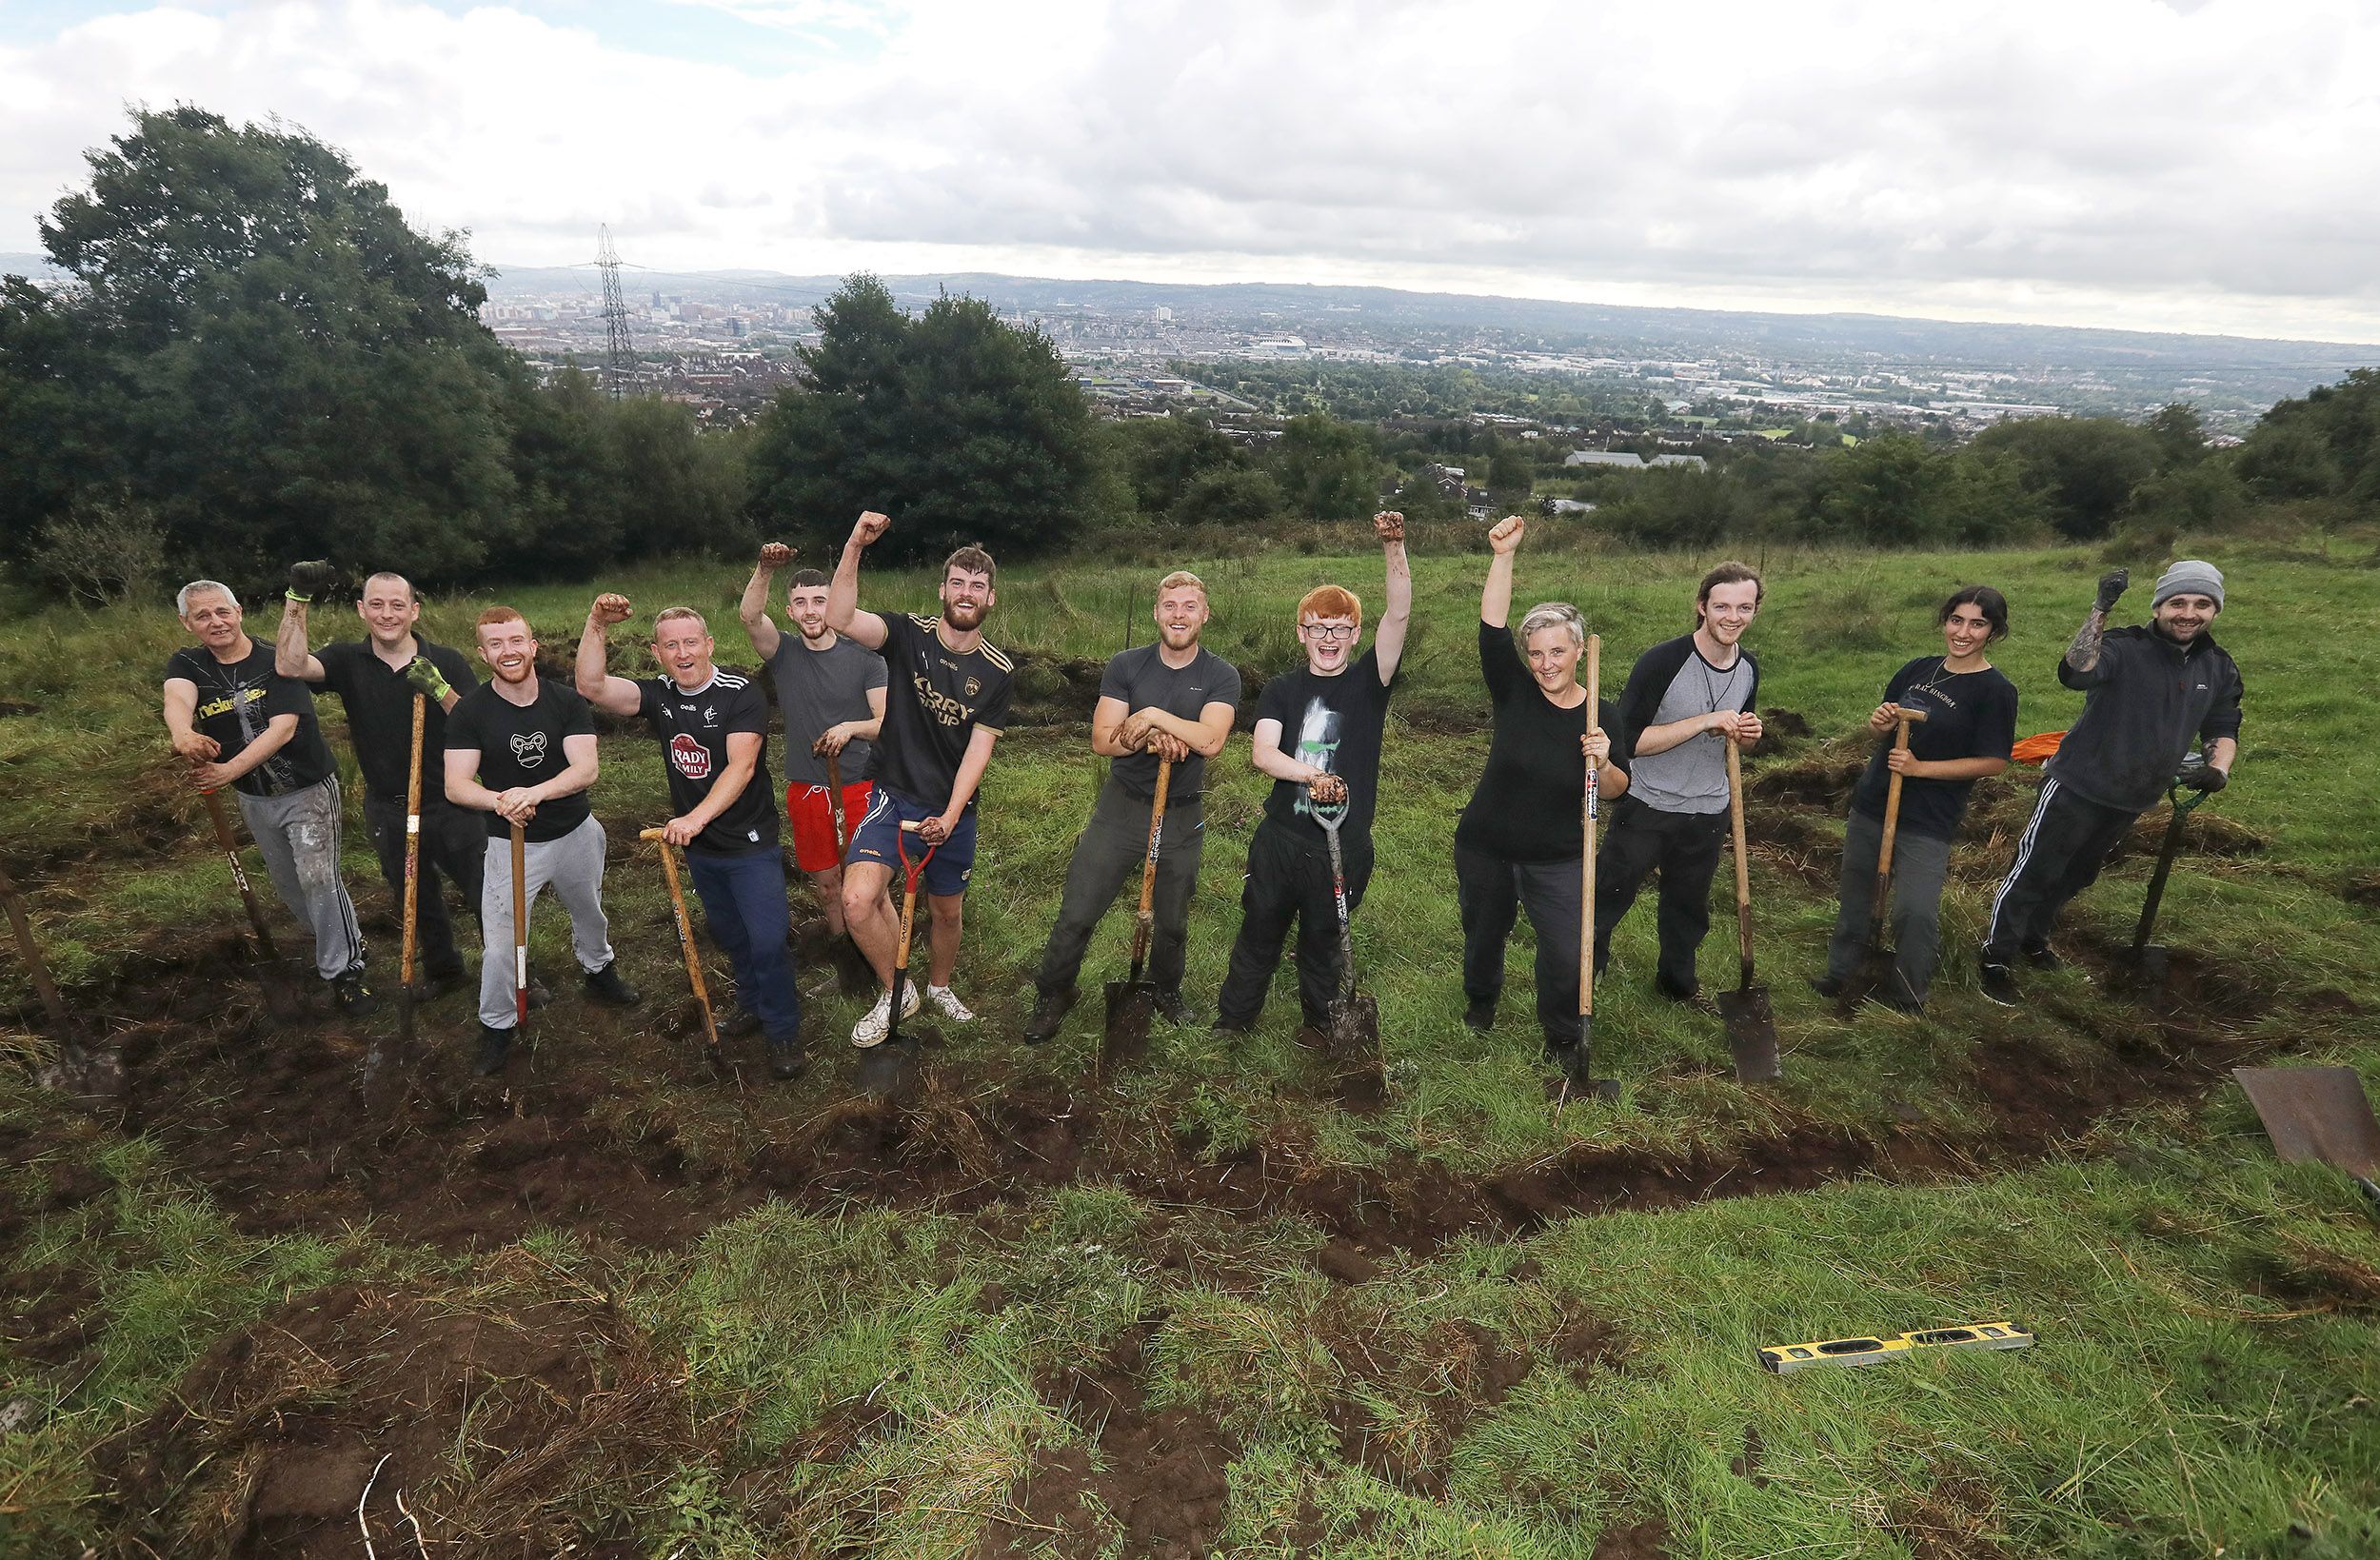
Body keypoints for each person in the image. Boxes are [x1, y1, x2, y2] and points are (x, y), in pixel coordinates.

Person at [1979, 562, 2242, 1005]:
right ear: (2158, 607)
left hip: (2134, 796)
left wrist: (2219, 768)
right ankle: (1996, 956)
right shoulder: (2124, 645)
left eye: (2201, 604)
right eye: (2177, 602)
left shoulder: (2218, 667)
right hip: (2077, 785)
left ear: (2214, 611)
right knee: (2036, 869)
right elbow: (2076, 672)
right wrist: (2101, 607)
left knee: (2079, 874)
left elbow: (2223, 724)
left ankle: (2033, 938)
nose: (2188, 613)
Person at [577, 597, 803, 1078]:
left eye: (691, 642)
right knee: (730, 934)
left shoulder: (740, 694)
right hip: (702, 850)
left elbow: (741, 768)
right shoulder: (659, 695)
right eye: (671, 645)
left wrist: (695, 819)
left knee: (767, 939)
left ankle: (783, 1032)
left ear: (709, 645)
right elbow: (591, 685)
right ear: (657, 653)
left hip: (749, 843)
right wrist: (596, 624)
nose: (683, 653)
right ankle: (750, 1005)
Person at [1214, 512, 1413, 1039]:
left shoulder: (1373, 680)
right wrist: (1311, 775)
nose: (1330, 638)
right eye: (1319, 628)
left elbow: (1398, 613)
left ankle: (1322, 1029)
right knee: (1259, 931)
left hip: (1344, 845)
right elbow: (1263, 754)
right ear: (1302, 632)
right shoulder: (1282, 689)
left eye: (1341, 629)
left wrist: (1394, 545)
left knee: (1325, 939)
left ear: (1355, 634)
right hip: (1281, 840)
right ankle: (1232, 1024)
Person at [1022, 570, 1242, 1043]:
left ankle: (1165, 989)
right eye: (1170, 606)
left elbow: (1210, 739)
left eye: (1189, 606)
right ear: (1156, 612)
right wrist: (1146, 737)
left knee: (1172, 919)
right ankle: (1054, 992)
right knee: (1079, 910)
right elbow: (1104, 740)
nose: (1178, 615)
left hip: (1181, 812)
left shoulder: (1221, 675)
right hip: (1121, 808)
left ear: (1205, 613)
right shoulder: (1127, 665)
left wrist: (1155, 717)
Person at [824, 511, 1016, 1046]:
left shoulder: (998, 672)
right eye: (958, 582)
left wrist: (950, 818)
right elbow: (839, 616)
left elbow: (978, 752)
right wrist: (856, 543)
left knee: (945, 912)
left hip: (952, 808)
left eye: (978, 586)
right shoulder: (907, 634)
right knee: (858, 900)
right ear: (943, 590)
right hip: (894, 795)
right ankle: (895, 991)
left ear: (990, 599)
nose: (967, 592)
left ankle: (938, 986)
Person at [1454, 517, 1630, 1076]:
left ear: (1579, 650)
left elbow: (1620, 790)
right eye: (1537, 653)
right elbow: (1491, 628)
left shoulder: (1604, 713)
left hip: (1560, 855)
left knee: (1565, 952)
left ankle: (1560, 1036)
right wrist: (1503, 557)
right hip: (1487, 845)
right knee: (1484, 934)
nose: (1546, 664)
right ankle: (1481, 1003)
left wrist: (1602, 761)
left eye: (1557, 651)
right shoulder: (1515, 694)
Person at [445, 605, 639, 1074]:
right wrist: (499, 802)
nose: (507, 651)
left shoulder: (565, 702)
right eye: (496, 644)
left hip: (575, 833)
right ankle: (497, 1022)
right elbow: (456, 784)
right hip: (510, 845)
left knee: (589, 910)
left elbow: (585, 769)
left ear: (532, 646)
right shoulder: (470, 712)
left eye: (515, 641)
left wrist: (533, 792)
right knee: (500, 942)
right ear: (483, 653)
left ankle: (599, 971)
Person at [275, 563, 483, 997]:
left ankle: (516, 971)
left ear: (415, 611)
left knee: (486, 891)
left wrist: (440, 690)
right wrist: (297, 600)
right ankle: (444, 972)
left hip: (453, 802)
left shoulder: (444, 660)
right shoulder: (346, 660)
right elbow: (292, 665)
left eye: (397, 605)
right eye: (376, 605)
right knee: (415, 895)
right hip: (389, 807)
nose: (387, 614)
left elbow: (478, 722)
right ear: (361, 610)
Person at [163, 580, 371, 1012]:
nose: (215, 622)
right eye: (202, 615)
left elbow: (283, 728)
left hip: (307, 789)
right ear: (187, 623)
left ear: (239, 611)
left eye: (222, 611)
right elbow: (177, 700)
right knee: (290, 885)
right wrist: (183, 734)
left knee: (318, 877)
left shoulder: (274, 661)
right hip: (255, 799)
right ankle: (337, 938)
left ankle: (345, 970)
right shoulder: (188, 664)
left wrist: (227, 771)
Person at [1812, 586, 2018, 1013]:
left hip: (1929, 816)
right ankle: (1841, 974)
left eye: (1977, 623)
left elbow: (1994, 762)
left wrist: (1920, 769)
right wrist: (1879, 722)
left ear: (1992, 631)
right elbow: (1880, 732)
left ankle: (1908, 996)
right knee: (1856, 895)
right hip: (1874, 801)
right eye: (1956, 620)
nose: (1963, 632)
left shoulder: (1995, 690)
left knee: (1915, 912)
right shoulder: (1917, 670)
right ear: (1945, 621)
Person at [1595, 562, 1765, 1001]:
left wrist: (1747, 735)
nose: (1733, 617)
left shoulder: (1749, 669)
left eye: (1744, 607)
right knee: (1607, 896)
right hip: (1647, 803)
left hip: (1708, 811)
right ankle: (1584, 975)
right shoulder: (1663, 661)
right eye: (1722, 606)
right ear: (1701, 606)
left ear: (1755, 611)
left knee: (1688, 908)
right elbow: (1626, 742)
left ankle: (1677, 987)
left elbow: (1733, 738)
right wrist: (1702, 721)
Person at [738, 544, 886, 953]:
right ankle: (845, 952)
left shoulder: (866, 657)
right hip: (806, 788)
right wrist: (765, 568)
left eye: (819, 601)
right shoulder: (783, 653)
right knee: (826, 885)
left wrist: (849, 728)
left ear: (832, 604)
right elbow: (750, 617)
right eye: (800, 602)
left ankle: (875, 947)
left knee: (865, 880)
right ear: (789, 611)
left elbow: (883, 722)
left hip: (860, 787)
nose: (810, 611)